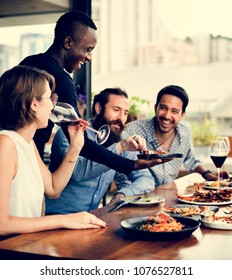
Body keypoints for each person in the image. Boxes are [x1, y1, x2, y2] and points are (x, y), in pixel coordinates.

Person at [19, 10, 167, 175]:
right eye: (88, 49)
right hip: (26, 165)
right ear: (68, 42)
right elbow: (81, 143)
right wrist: (130, 165)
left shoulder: (27, 63)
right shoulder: (61, 80)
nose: (89, 57)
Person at [0, 65, 107, 237]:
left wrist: (76, 147)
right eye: (50, 98)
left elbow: (53, 188)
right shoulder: (5, 144)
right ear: (34, 103)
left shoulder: (28, 144)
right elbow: (1, 224)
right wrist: (64, 220)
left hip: (24, 247)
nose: (53, 105)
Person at [45, 88, 156, 214]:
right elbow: (77, 173)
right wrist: (119, 147)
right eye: (116, 110)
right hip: (56, 218)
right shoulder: (69, 134)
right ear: (98, 108)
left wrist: (122, 194)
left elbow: (146, 179)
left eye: (125, 113)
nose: (121, 118)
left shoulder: (122, 138)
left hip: (91, 219)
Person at [118, 85, 229, 187]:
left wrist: (206, 174)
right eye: (163, 108)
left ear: (182, 115)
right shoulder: (132, 130)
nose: (167, 116)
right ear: (155, 108)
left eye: (175, 111)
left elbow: (190, 159)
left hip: (169, 198)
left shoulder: (185, 130)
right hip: (138, 198)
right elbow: (121, 174)